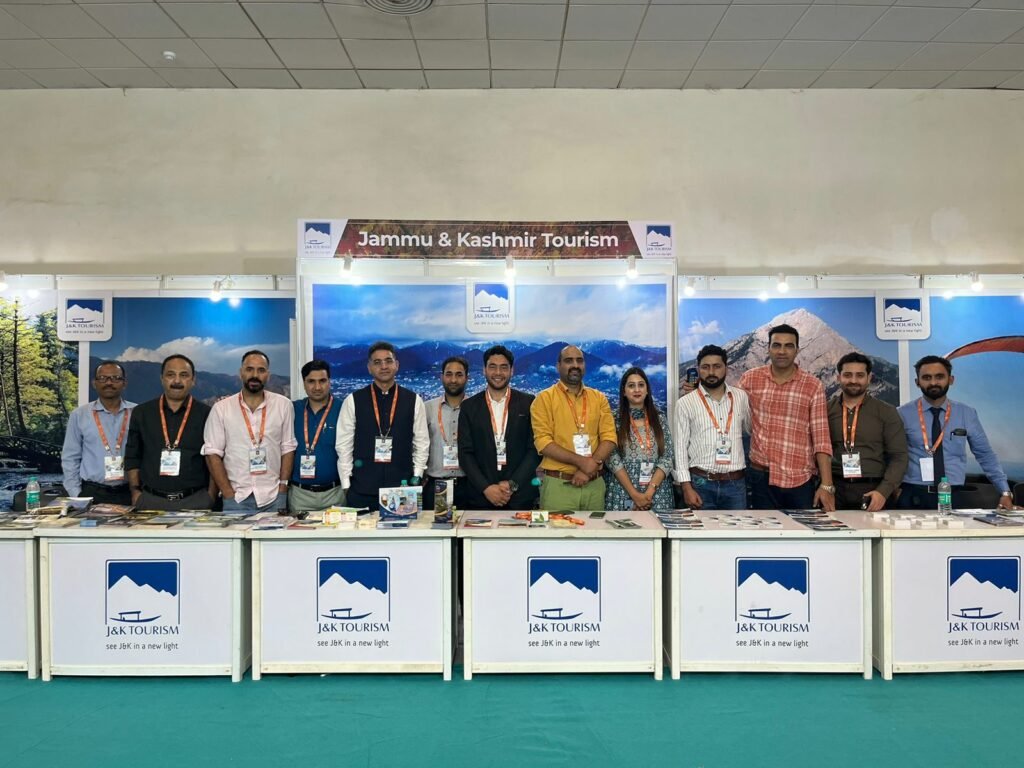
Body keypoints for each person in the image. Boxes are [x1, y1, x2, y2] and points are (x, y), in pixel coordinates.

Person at [897, 355, 1013, 511]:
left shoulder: (967, 413)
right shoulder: (901, 414)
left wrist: (1005, 491)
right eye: (926, 377)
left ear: (951, 380)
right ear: (917, 382)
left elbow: (985, 454)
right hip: (913, 494)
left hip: (955, 495)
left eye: (939, 377)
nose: (933, 382)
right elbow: (892, 455)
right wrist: (892, 490)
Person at [739, 324, 835, 511]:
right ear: (768, 348)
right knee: (764, 529)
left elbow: (821, 439)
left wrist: (826, 485)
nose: (782, 351)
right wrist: (696, 391)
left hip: (800, 480)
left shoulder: (812, 385)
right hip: (761, 479)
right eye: (776, 345)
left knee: (802, 529)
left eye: (788, 346)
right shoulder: (750, 379)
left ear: (797, 350)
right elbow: (727, 404)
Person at [336, 341, 429, 512]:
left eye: (388, 361)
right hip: (362, 489)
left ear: (397, 365)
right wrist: (346, 484)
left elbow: (421, 443)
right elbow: (344, 445)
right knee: (362, 530)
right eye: (377, 362)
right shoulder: (353, 400)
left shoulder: (413, 400)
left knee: (404, 529)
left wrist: (417, 475)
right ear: (369, 368)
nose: (384, 366)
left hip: (403, 488)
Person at [203, 350, 296, 514]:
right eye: (249, 369)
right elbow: (212, 454)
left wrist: (282, 488)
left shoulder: (283, 405)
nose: (255, 375)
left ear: (268, 375)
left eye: (261, 370)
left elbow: (287, 448)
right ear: (241, 373)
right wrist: (228, 493)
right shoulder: (221, 409)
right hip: (237, 498)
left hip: (273, 497)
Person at [530, 345, 617, 511]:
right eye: (569, 361)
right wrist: (583, 463)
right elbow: (543, 443)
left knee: (597, 529)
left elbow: (610, 438)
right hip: (559, 486)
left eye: (579, 361)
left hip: (594, 486)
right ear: (558, 366)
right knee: (556, 529)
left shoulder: (599, 398)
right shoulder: (544, 399)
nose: (575, 365)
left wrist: (587, 470)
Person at [124, 354, 215, 511]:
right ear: (162, 379)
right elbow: (133, 456)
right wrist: (135, 492)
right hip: (150, 501)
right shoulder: (142, 413)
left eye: (184, 375)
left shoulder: (208, 414)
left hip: (196, 501)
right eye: (171, 375)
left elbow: (214, 457)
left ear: (193, 380)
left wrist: (211, 495)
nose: (177, 381)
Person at [458, 345, 540, 511]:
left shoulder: (528, 402)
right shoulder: (469, 407)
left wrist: (512, 484)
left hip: (520, 497)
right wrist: (486, 488)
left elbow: (534, 450)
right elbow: (465, 453)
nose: (498, 373)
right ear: (484, 370)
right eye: (492, 367)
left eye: (504, 367)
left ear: (512, 371)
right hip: (480, 498)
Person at [827, 352, 908, 511]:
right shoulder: (824, 410)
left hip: (873, 490)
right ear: (838, 378)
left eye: (860, 375)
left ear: (869, 378)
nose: (853, 380)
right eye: (847, 375)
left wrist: (883, 492)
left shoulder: (886, 412)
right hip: (834, 490)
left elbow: (899, 456)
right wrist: (824, 486)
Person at [674, 345, 751, 510]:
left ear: (726, 368)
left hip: (735, 485)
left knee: (738, 527)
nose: (711, 372)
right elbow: (680, 448)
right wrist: (686, 487)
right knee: (699, 528)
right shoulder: (685, 403)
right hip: (700, 484)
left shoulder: (741, 397)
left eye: (717, 366)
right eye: (705, 367)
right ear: (698, 369)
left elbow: (749, 431)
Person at [61, 360, 137, 504]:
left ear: (124, 383)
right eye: (102, 378)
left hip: (129, 492)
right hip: (92, 492)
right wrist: (76, 494)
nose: (109, 382)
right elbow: (70, 458)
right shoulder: (79, 415)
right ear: (94, 383)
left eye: (115, 378)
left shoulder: (138, 413)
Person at [605, 367, 675, 512]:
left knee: (655, 526)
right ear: (624, 392)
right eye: (631, 385)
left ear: (647, 390)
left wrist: (649, 492)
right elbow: (611, 457)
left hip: (657, 491)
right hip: (622, 489)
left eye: (641, 385)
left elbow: (668, 456)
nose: (637, 389)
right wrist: (634, 494)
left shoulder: (660, 419)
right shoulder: (613, 419)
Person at [288, 360, 345, 514]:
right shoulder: (292, 409)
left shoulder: (343, 409)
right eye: (311, 381)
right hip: (299, 495)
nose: (317, 387)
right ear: (304, 383)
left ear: (329, 382)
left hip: (335, 494)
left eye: (322, 381)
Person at [423, 356, 470, 512]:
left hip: (469, 486)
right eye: (449, 374)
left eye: (459, 374)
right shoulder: (427, 408)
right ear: (441, 377)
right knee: (437, 526)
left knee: (468, 527)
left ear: (467, 378)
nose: (453, 380)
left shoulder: (475, 408)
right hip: (437, 484)